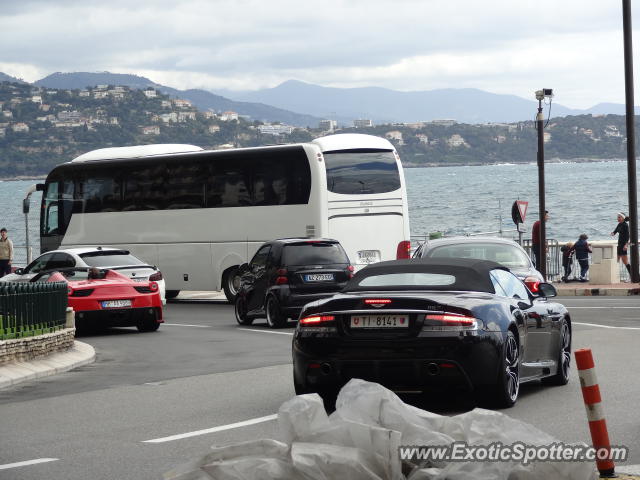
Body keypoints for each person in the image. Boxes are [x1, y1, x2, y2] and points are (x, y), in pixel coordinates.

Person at [611, 212, 631, 279]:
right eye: (618, 217)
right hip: (619, 244)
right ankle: (615, 277)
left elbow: (627, 236)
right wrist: (613, 233)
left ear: (623, 218)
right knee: (616, 260)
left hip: (623, 245)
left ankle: (633, 276)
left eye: (619, 217)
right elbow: (615, 231)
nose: (618, 218)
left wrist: (626, 245)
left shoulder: (625, 225)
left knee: (625, 261)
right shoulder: (619, 224)